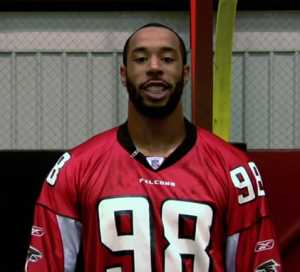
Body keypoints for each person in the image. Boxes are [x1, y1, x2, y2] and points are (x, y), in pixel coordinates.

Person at [25, 23, 282, 272]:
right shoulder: (76, 167)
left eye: (168, 59)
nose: (155, 67)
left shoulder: (235, 170)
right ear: (124, 75)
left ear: (186, 73)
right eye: (141, 59)